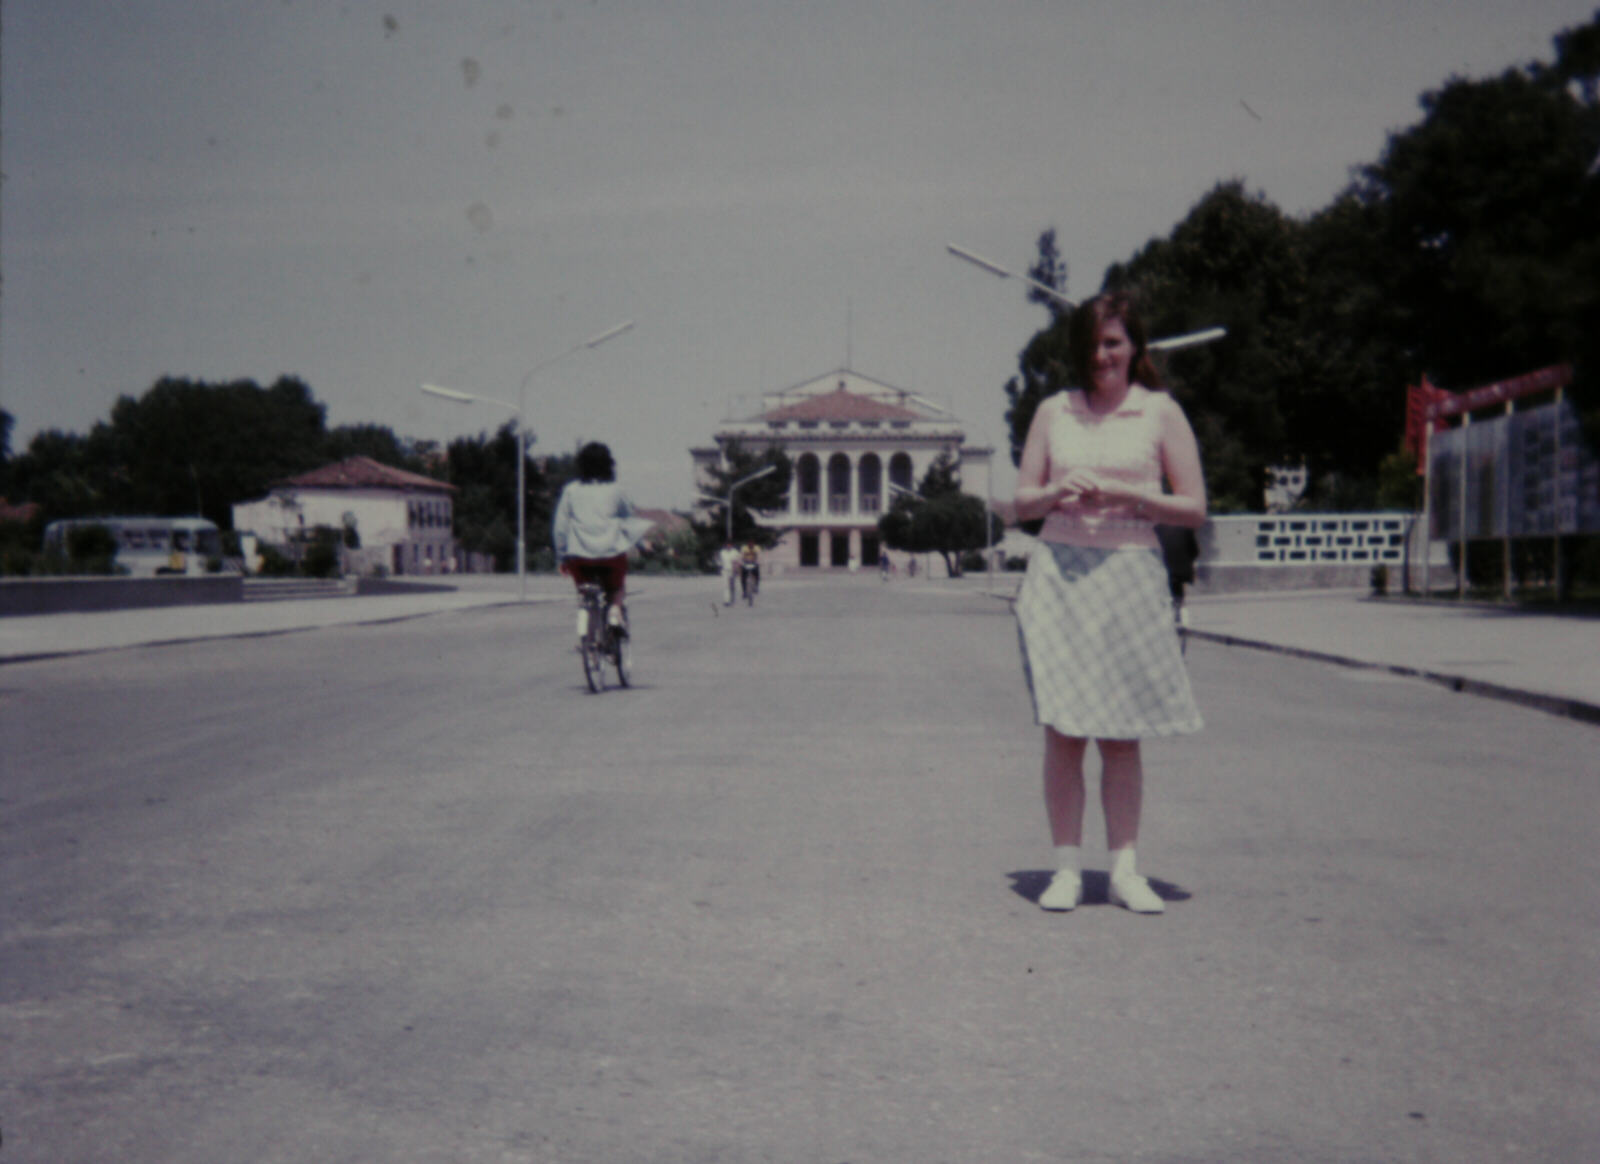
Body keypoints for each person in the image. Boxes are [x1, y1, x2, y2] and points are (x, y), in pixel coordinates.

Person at [1012, 291, 1206, 915]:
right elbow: (1021, 503)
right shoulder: (1053, 412)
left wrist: (1130, 496)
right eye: (1092, 345)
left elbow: (1195, 505)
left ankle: (1124, 869)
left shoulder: (1161, 414)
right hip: (1061, 576)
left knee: (1121, 735)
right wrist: (1053, 494)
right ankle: (1066, 868)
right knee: (1064, 729)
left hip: (1130, 574)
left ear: (1135, 348)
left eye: (1114, 343)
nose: (1102, 356)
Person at [552, 442, 653, 641]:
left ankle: (588, 642)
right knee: (617, 589)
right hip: (611, 556)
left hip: (579, 558)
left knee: (586, 595)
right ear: (609, 464)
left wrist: (561, 557)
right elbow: (629, 522)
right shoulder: (617, 491)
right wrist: (643, 545)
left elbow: (560, 528)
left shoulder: (571, 491)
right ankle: (615, 612)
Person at [718, 541, 740, 606]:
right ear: (725, 546)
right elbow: (720, 561)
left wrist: (736, 570)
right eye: (727, 545)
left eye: (729, 545)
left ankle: (732, 598)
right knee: (726, 586)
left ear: (731, 545)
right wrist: (720, 567)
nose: (728, 546)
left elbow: (737, 562)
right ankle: (726, 600)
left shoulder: (735, 552)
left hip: (732, 571)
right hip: (725, 570)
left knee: (732, 586)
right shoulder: (722, 552)